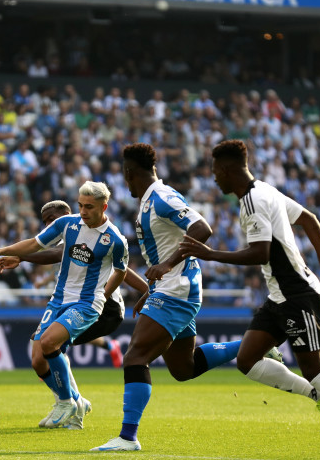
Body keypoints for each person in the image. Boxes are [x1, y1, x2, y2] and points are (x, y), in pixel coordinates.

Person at [179, 139, 320, 460]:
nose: (214, 178)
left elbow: (260, 252)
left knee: (314, 368)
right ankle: (319, 396)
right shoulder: (266, 190)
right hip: (279, 297)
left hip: (296, 295)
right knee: (247, 360)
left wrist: (210, 254)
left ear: (227, 170)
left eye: (215, 172)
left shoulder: (253, 201)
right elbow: (308, 219)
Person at [92, 143, 276, 452]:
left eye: (125, 177)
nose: (125, 183)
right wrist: (152, 288)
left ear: (130, 173)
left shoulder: (162, 198)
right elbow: (168, 245)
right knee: (184, 368)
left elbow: (202, 228)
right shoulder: (150, 201)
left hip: (177, 289)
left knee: (136, 357)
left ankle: (127, 438)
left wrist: (167, 265)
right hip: (171, 289)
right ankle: (257, 345)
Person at [0, 181, 129, 430]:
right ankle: (75, 401)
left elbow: (122, 271)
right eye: (80, 205)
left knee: (51, 342)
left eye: (89, 207)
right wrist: (0, 250)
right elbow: (35, 244)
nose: (82, 211)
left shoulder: (114, 239)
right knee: (38, 359)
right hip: (59, 299)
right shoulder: (67, 224)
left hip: (87, 303)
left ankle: (67, 401)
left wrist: (104, 293)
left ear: (103, 206)